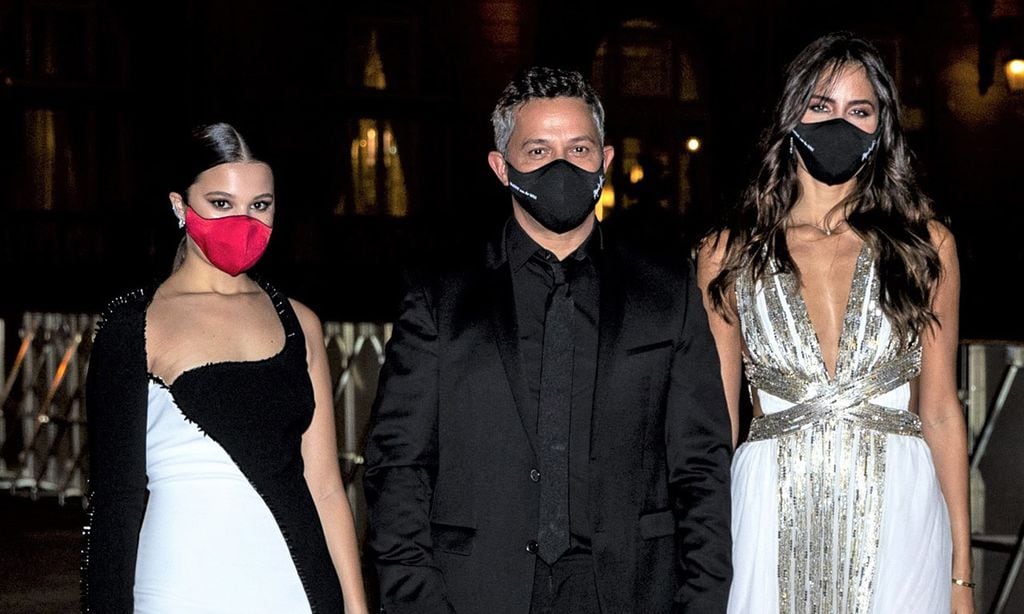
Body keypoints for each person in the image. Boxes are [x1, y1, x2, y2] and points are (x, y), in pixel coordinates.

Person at [362, 66, 733, 614]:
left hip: (631, 592)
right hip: (476, 592)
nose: (562, 165)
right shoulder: (440, 298)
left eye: (579, 148)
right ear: (501, 167)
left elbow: (701, 469)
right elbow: (397, 469)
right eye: (538, 151)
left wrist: (700, 602)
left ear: (605, 161)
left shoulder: (666, 294)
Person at [696, 31, 973, 613]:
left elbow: (942, 410)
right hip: (767, 507)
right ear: (790, 114)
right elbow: (715, 427)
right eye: (820, 106)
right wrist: (703, 568)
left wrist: (961, 579)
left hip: (901, 504)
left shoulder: (925, 247)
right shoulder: (729, 254)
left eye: (858, 110)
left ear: (882, 127)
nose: (837, 123)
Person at [80, 122, 368, 613]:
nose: (244, 221)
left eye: (260, 205)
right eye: (221, 203)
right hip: (178, 584)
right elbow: (116, 499)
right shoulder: (134, 325)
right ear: (179, 204)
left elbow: (324, 485)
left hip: (296, 584)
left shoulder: (301, 323)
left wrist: (356, 607)